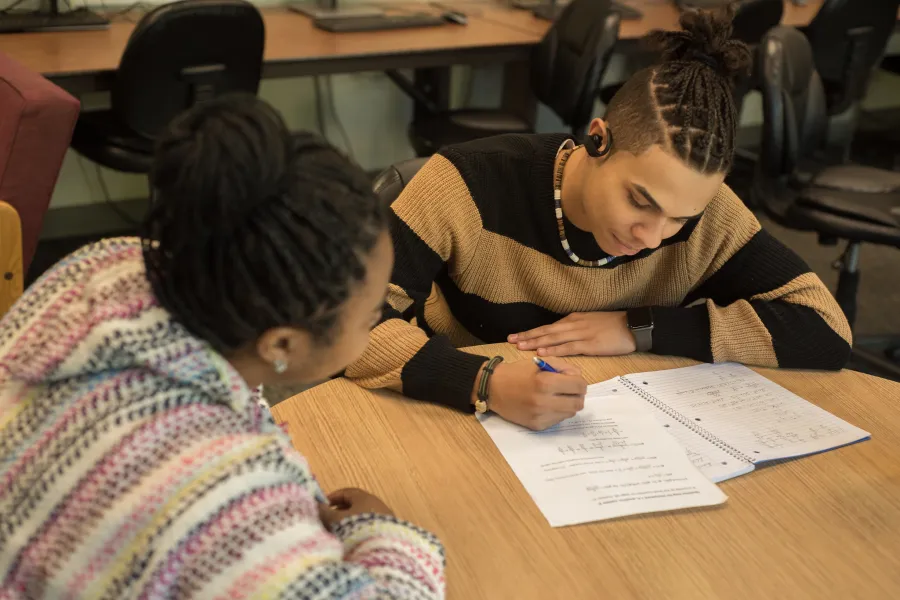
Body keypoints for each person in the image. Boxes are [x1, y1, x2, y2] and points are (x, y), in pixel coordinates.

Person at [0, 96, 444, 598]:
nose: (375, 323)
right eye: (369, 318)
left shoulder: (104, 268)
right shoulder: (220, 494)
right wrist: (381, 534)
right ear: (281, 342)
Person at [346, 8, 852, 431]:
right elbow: (349, 322)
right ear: (598, 139)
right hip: (450, 413)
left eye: (681, 217)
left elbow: (825, 331)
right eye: (640, 201)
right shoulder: (465, 181)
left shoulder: (711, 214)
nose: (652, 237)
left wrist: (642, 328)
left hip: (602, 430)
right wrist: (484, 382)